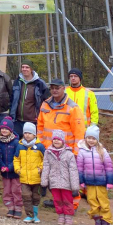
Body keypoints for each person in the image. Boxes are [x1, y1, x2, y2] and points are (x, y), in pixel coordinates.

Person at [37, 78, 85, 210]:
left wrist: (76, 152)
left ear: (64, 88)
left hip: (66, 151)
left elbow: (79, 132)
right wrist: (40, 145)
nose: (54, 90)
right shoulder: (45, 105)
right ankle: (58, 201)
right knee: (53, 178)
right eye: (52, 88)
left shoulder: (72, 107)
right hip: (48, 150)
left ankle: (72, 205)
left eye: (57, 88)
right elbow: (40, 126)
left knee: (68, 178)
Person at [77, 125, 113, 225]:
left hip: (101, 182)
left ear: (97, 139)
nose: (91, 140)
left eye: (93, 138)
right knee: (92, 202)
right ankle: (97, 221)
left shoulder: (102, 151)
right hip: (89, 182)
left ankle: (106, 222)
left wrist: (110, 182)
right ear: (85, 138)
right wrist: (81, 181)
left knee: (103, 203)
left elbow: (109, 167)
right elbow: (80, 168)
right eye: (89, 138)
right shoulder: (82, 152)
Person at [41, 129, 80, 225]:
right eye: (54, 139)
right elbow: (46, 167)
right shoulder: (48, 153)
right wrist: (44, 180)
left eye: (58, 139)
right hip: (54, 182)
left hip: (66, 183)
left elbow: (73, 170)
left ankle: (68, 216)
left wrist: (74, 185)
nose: (56, 141)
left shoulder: (69, 154)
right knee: (57, 200)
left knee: (67, 200)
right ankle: (61, 215)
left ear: (63, 141)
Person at [14, 122, 45, 223]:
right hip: (24, 177)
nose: (27, 135)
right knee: (26, 196)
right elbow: (16, 159)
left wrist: (40, 168)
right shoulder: (20, 146)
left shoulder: (40, 146)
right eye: (25, 133)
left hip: (36, 177)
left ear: (34, 135)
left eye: (30, 133)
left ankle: (35, 215)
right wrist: (18, 169)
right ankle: (29, 215)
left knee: (36, 196)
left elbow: (45, 159)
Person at [10, 60, 49, 138]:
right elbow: (12, 99)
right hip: (18, 121)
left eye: (27, 67)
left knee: (32, 142)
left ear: (31, 69)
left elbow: (47, 101)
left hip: (33, 121)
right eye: (23, 67)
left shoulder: (40, 83)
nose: (24, 69)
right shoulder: (17, 82)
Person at [0, 116, 23, 218]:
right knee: (7, 191)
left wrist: (10, 167)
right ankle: (10, 207)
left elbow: (17, 157)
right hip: (5, 172)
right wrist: (2, 166)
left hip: (15, 172)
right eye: (2, 128)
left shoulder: (16, 142)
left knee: (16, 190)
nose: (4, 130)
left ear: (11, 130)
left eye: (6, 129)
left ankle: (18, 207)